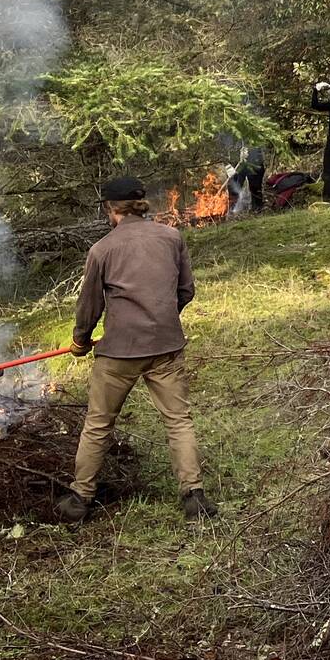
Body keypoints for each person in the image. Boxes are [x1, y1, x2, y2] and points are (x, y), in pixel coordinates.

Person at [61, 176, 215, 523]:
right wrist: (159, 319)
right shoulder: (171, 237)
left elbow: (89, 307)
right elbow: (186, 291)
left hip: (119, 353)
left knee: (99, 423)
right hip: (166, 346)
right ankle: (194, 495)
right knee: (179, 421)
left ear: (110, 208)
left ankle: (80, 498)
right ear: (140, 205)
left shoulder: (101, 250)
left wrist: (80, 341)